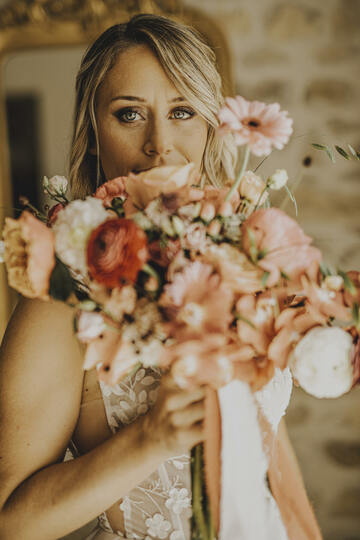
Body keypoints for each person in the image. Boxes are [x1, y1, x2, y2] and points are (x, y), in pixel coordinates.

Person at [0, 13, 322, 540]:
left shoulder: (241, 261)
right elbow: (9, 521)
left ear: (211, 125)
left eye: (181, 111)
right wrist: (149, 438)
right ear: (93, 132)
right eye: (129, 114)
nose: (159, 145)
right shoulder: (62, 296)